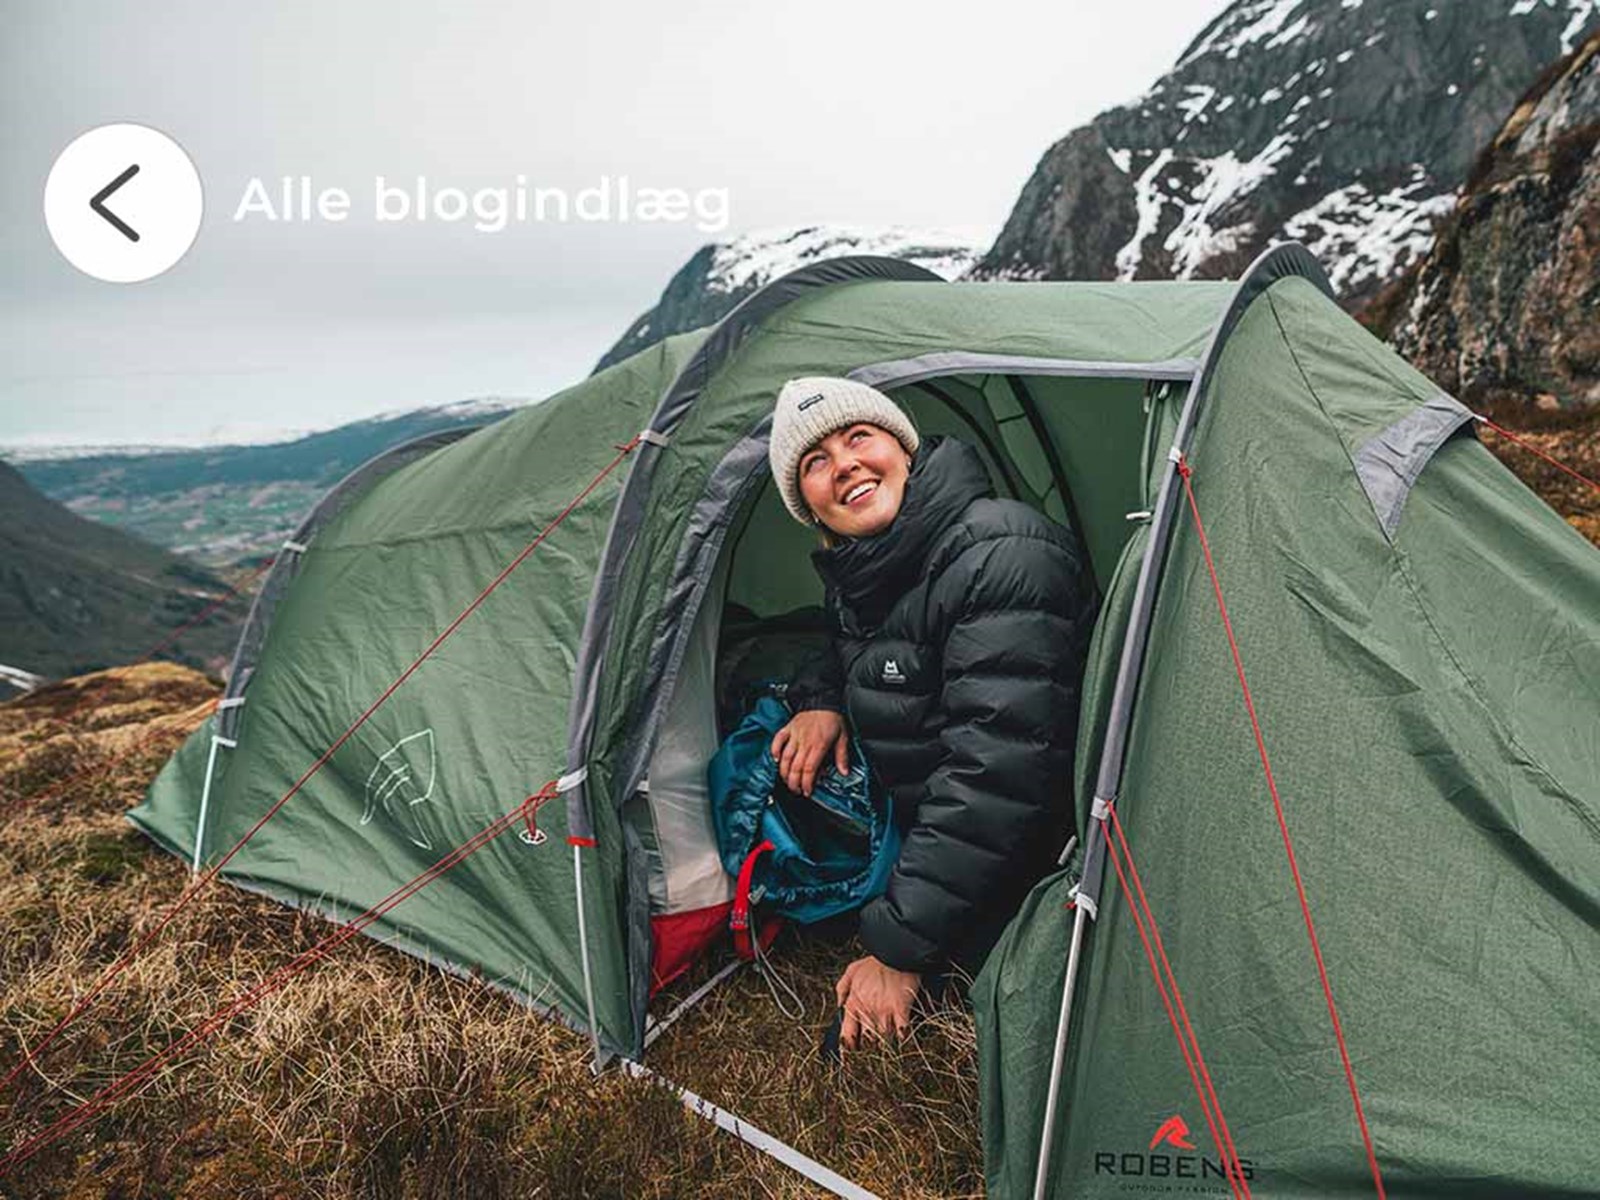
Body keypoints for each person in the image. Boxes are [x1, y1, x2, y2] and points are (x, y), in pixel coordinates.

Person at [765, 376, 1097, 1050]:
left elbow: (996, 777)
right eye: (816, 462)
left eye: (858, 437)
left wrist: (898, 949)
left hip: (1049, 859)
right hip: (960, 841)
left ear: (904, 450)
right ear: (812, 509)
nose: (845, 464)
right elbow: (854, 638)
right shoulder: (872, 567)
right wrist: (822, 701)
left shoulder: (1000, 556)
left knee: (865, 1044)